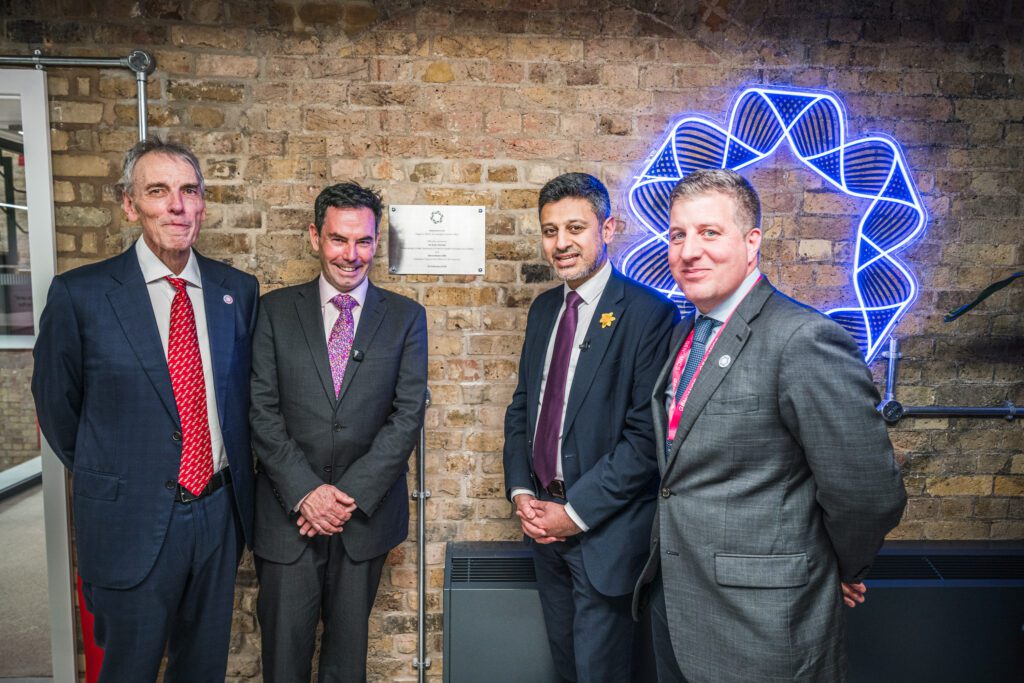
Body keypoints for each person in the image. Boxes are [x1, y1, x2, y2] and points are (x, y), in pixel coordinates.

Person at [635, 168, 907, 682]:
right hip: (677, 608)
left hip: (761, 627)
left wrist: (838, 570)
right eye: (677, 235)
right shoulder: (686, 335)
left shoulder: (802, 339)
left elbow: (868, 491)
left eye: (709, 232)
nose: (689, 250)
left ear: (752, 241)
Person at [32, 138, 259, 682]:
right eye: (158, 192)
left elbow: (243, 401)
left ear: (204, 202)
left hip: (217, 513)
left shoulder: (237, 290)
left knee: (202, 669)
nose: (177, 206)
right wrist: (113, 472)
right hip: (129, 518)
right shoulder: (81, 295)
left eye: (189, 191)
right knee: (127, 670)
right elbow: (59, 410)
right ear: (130, 205)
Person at [503, 172, 678, 682]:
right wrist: (520, 493)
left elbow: (646, 442)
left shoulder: (650, 314)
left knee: (601, 674)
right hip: (542, 530)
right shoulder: (543, 311)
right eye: (550, 230)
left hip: (604, 535)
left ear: (609, 227)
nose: (561, 243)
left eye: (575, 228)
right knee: (565, 670)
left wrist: (574, 514)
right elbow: (523, 410)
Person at [250, 182, 428, 682]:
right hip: (288, 518)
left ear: (376, 242)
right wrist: (307, 493)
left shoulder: (407, 318)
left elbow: (407, 416)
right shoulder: (273, 312)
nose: (351, 255)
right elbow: (261, 412)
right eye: (338, 240)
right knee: (283, 660)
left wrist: (343, 497)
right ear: (314, 236)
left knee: (346, 665)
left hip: (362, 520)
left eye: (364, 242)